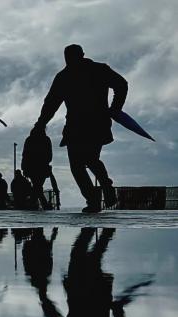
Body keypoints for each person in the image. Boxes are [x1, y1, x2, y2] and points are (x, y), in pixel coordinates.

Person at [32, 44, 127, 213]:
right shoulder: (95, 70)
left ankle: (96, 197)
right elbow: (51, 103)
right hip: (92, 124)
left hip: (81, 126)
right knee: (88, 160)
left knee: (80, 164)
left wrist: (115, 108)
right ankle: (101, 190)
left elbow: (51, 104)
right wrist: (114, 109)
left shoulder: (66, 76)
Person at [21, 129, 54, 210]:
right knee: (38, 186)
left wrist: (24, 167)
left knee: (37, 186)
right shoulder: (46, 139)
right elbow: (49, 154)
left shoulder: (29, 139)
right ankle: (41, 204)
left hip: (31, 167)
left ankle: (34, 203)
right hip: (42, 167)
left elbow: (25, 154)